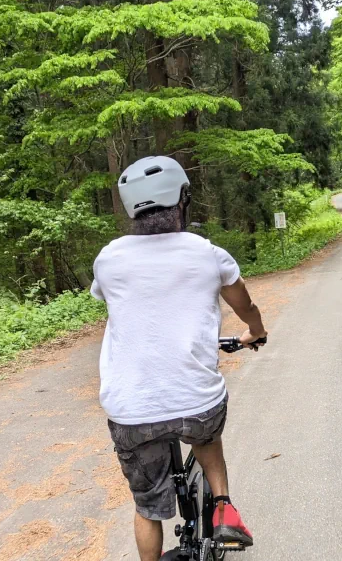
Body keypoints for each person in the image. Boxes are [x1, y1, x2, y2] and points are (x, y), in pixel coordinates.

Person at [90, 156, 266, 561]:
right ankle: (223, 507)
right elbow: (246, 306)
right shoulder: (208, 253)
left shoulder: (109, 258)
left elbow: (119, 302)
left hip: (131, 410)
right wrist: (255, 332)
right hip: (194, 403)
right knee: (206, 432)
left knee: (146, 507)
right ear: (182, 199)